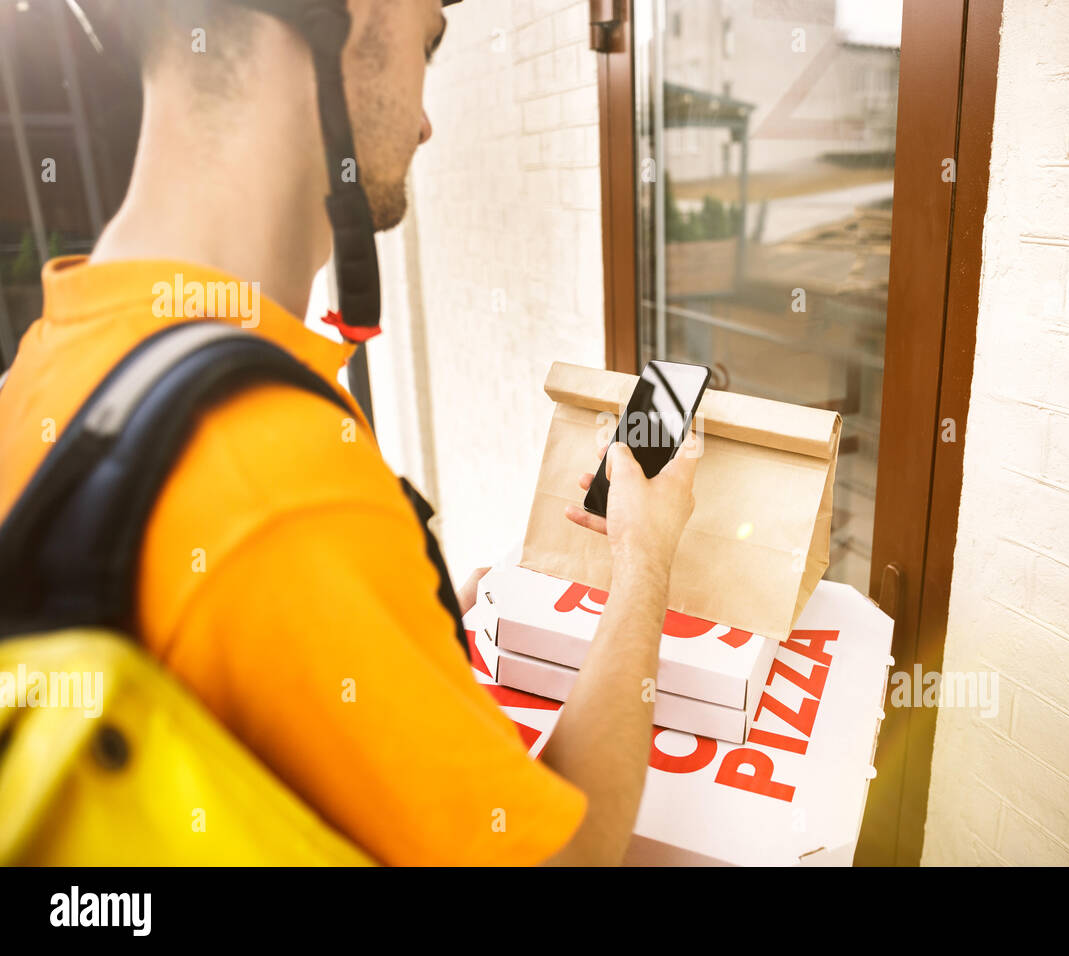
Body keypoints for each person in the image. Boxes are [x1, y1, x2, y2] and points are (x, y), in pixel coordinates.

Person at [0, 0, 697, 866]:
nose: (427, 119)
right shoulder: (275, 478)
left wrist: (408, 628)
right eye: (428, 46)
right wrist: (647, 558)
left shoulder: (50, 360)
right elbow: (574, 855)